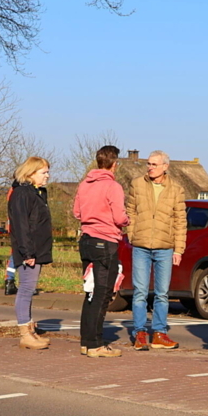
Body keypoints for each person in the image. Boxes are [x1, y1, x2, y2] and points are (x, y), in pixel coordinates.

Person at [126, 150, 186, 351]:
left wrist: (178, 249)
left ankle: (159, 333)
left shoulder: (176, 189)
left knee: (162, 293)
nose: (150, 167)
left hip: (165, 248)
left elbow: (180, 221)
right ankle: (140, 332)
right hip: (141, 246)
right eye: (148, 164)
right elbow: (130, 211)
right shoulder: (137, 184)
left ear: (165, 167)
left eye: (154, 164)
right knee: (140, 291)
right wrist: (133, 235)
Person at [73, 145, 129, 358]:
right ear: (115, 164)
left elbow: (76, 212)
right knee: (103, 294)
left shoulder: (84, 184)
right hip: (105, 242)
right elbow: (119, 217)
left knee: (90, 292)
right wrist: (128, 220)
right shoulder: (113, 186)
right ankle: (96, 343)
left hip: (86, 240)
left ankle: (86, 342)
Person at [8, 156, 53, 350]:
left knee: (29, 289)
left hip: (37, 249)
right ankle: (25, 334)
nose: (47, 176)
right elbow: (21, 225)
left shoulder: (37, 193)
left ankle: (30, 331)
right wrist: (27, 252)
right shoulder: (22, 194)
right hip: (29, 250)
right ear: (31, 173)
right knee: (26, 289)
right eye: (43, 173)